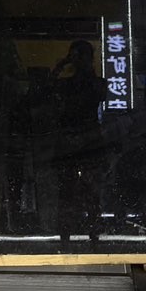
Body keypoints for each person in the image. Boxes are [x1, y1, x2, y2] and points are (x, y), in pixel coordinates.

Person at [50, 40, 107, 243]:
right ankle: (72, 232)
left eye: (79, 57)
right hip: (77, 140)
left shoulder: (95, 83)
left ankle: (88, 232)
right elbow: (48, 90)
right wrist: (62, 66)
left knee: (87, 190)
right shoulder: (70, 84)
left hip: (84, 140)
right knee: (71, 188)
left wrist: (62, 66)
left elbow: (97, 94)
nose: (77, 61)